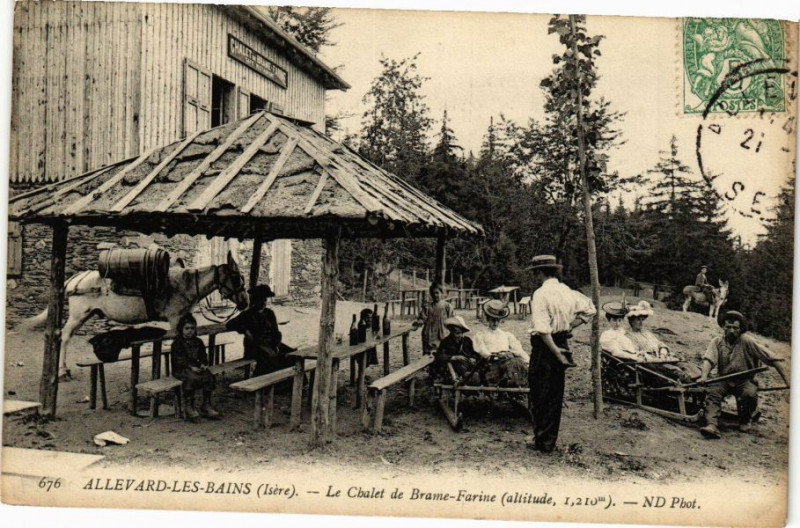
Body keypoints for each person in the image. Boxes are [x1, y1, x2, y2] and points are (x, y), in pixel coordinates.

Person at [527, 255, 596, 453]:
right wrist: (568, 327)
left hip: (546, 346)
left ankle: (542, 442)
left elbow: (542, 330)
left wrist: (556, 353)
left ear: (539, 273)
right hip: (560, 341)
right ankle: (547, 441)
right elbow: (590, 309)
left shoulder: (540, 294)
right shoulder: (567, 291)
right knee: (554, 393)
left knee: (539, 390)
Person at [698, 310, 790, 439]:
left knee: (749, 394)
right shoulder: (717, 341)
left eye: (735, 328)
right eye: (728, 327)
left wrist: (788, 382)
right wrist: (704, 377)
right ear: (723, 326)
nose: (731, 331)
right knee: (712, 392)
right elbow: (708, 360)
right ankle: (711, 425)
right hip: (724, 379)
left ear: (741, 329)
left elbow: (772, 359)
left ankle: (745, 419)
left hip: (744, 380)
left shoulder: (747, 341)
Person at [623, 301, 702, 383]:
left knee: (688, 366)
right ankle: (689, 385)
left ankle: (698, 380)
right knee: (676, 371)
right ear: (631, 321)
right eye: (638, 320)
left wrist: (663, 352)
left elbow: (660, 344)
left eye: (641, 319)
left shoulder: (647, 333)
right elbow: (637, 354)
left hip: (664, 358)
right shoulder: (629, 336)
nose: (641, 322)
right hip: (653, 363)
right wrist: (654, 357)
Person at [226, 284, 285, 376]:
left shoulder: (269, 313)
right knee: (270, 358)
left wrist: (276, 344)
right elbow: (230, 324)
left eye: (265, 300)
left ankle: (290, 383)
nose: (263, 302)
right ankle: (267, 385)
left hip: (270, 344)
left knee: (289, 353)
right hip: (254, 347)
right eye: (261, 300)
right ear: (255, 300)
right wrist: (245, 331)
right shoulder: (247, 314)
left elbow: (276, 332)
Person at [171, 313, 219, 420]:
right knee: (192, 378)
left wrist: (203, 364)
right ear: (181, 329)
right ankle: (189, 406)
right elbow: (178, 359)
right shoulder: (177, 343)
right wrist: (190, 366)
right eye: (186, 328)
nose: (190, 331)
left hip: (196, 368)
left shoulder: (198, 341)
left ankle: (206, 404)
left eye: (192, 328)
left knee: (209, 377)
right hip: (181, 369)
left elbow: (203, 355)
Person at [471, 300, 529, 386]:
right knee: (509, 365)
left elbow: (518, 350)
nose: (495, 323)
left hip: (508, 362)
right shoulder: (480, 335)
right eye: (493, 320)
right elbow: (482, 350)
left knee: (518, 364)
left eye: (497, 320)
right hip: (491, 365)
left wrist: (527, 361)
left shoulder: (506, 335)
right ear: (488, 319)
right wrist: (494, 356)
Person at [432, 316, 479, 381]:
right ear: (451, 332)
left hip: (467, 368)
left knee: (475, 376)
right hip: (452, 371)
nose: (460, 336)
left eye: (461, 333)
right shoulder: (446, 342)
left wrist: (473, 358)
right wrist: (454, 357)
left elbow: (475, 352)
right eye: (457, 333)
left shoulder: (467, 341)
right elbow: (439, 356)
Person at [413, 282, 454, 355]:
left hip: (443, 334)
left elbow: (453, 319)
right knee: (429, 355)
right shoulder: (428, 307)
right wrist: (419, 321)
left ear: (442, 293)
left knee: (443, 354)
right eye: (433, 293)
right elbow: (422, 318)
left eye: (437, 293)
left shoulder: (447, 306)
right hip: (429, 334)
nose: (435, 295)